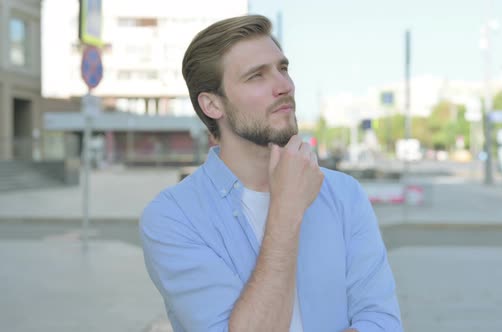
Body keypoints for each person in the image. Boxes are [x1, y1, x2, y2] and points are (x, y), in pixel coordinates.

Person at [140, 14, 403, 332]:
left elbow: (381, 321)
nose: (284, 86)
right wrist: (285, 212)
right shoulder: (173, 217)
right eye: (256, 76)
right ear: (212, 105)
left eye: (283, 68)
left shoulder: (344, 193)